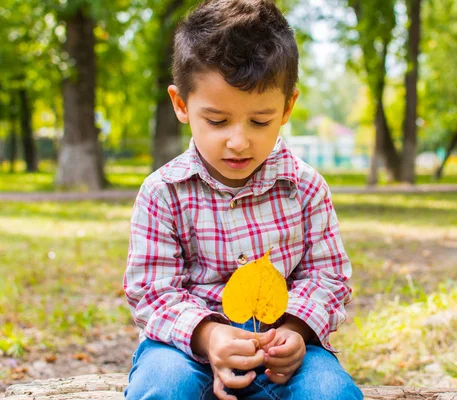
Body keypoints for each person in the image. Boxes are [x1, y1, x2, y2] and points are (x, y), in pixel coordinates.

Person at [123, 0, 363, 399]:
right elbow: (152, 289)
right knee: (162, 387)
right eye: (217, 121)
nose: (238, 141)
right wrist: (209, 334)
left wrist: (295, 331)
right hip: (187, 347)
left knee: (330, 392)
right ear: (182, 105)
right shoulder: (163, 192)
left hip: (282, 344)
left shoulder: (305, 188)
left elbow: (328, 277)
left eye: (260, 121)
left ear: (287, 107)